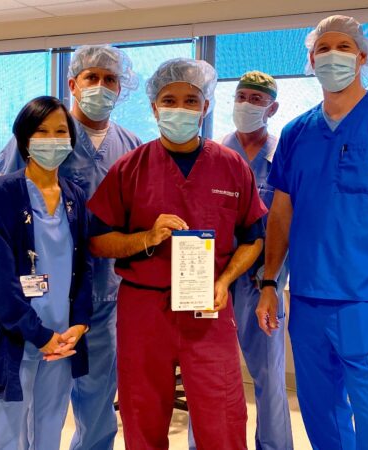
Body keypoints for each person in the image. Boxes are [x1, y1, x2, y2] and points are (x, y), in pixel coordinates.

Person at [256, 15, 368, 450]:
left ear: (362, 57)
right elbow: (280, 216)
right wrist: (269, 282)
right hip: (307, 301)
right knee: (321, 417)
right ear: (311, 59)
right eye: (323, 49)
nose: (332, 56)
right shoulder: (297, 133)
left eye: (343, 48)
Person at [87, 57, 267, 450]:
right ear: (154, 107)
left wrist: (225, 281)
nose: (180, 108)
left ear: (205, 107)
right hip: (143, 309)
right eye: (170, 100)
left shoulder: (231, 166)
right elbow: (98, 240)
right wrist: (146, 238)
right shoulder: (129, 168)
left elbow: (254, 237)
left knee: (222, 414)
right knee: (142, 412)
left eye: (191, 100)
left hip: (208, 306)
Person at [0, 45, 142, 450]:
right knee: (21, 407)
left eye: (110, 79)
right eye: (91, 77)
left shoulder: (131, 145)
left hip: (102, 295)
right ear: (73, 83)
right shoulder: (43, 132)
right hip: (37, 299)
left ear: (121, 87)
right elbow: (2, 210)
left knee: (95, 398)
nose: (101, 86)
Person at [0, 96, 93, 450]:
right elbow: (0, 281)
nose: (52, 139)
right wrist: (39, 334)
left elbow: (84, 268)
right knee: (6, 432)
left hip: (63, 337)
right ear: (24, 139)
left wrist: (79, 324)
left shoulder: (74, 196)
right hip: (16, 333)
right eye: (42, 131)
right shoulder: (3, 193)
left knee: (50, 427)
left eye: (60, 132)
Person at [221, 71, 293, 450]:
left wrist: (272, 280)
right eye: (241, 96)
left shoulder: (283, 157)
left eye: (256, 99)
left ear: (273, 108)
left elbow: (289, 225)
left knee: (268, 376)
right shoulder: (215, 153)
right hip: (216, 280)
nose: (246, 105)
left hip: (261, 283)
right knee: (211, 372)